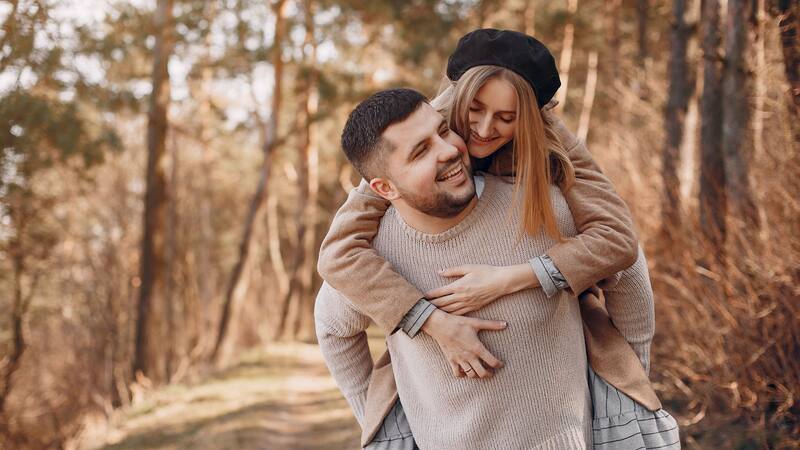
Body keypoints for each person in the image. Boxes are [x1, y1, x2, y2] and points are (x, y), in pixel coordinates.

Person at [318, 30, 679, 449]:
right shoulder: (389, 217)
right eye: (474, 110)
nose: (482, 132)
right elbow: (337, 263)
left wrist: (627, 385)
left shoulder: (548, 181)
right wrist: (424, 330)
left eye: (507, 118)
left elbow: (621, 247)